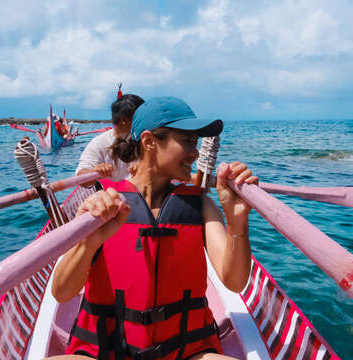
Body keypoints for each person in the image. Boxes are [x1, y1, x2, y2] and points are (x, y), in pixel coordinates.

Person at [50, 97, 258, 360]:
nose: (195, 153)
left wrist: (237, 220)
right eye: (186, 141)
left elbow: (235, 281)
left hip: (187, 352)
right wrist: (89, 241)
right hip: (104, 352)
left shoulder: (199, 205)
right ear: (149, 142)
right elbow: (62, 291)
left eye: (195, 143)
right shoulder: (106, 204)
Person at [75, 94, 145, 183]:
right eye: (140, 117)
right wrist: (94, 173)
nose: (145, 120)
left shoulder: (146, 140)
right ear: (123, 120)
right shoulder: (99, 143)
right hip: (111, 194)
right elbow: (81, 174)